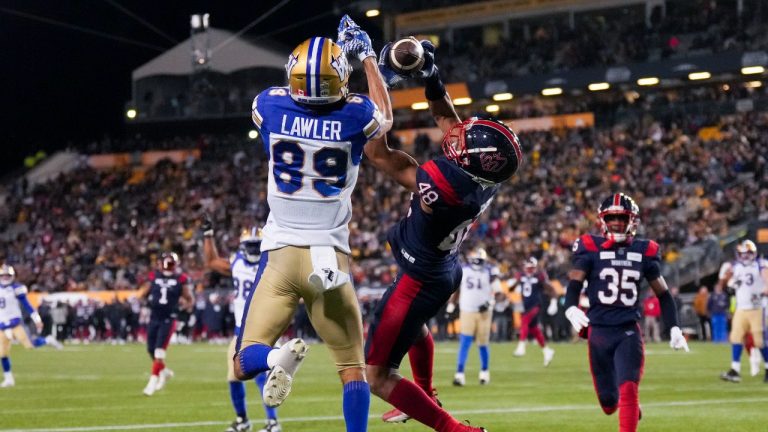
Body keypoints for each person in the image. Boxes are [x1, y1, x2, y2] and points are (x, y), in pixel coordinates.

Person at [233, 15, 412, 432]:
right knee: (352, 370)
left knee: (245, 360)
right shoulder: (355, 115)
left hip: (279, 254)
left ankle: (277, 358)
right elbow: (382, 117)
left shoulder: (269, 105)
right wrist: (366, 55)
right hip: (328, 258)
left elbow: (298, 104)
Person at [362, 22, 522, 431]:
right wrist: (431, 76)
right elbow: (445, 117)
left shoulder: (444, 184)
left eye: (464, 144)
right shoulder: (482, 179)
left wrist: (377, 78)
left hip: (421, 276)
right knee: (413, 330)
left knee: (376, 375)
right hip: (443, 269)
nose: (457, 138)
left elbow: (377, 153)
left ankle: (455, 429)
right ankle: (425, 393)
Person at [563, 193, 689, 432]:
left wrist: (674, 327)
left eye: (622, 218)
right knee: (609, 403)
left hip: (627, 330)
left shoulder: (644, 250)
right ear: (603, 220)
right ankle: (629, 407)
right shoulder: (590, 248)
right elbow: (575, 283)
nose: (618, 223)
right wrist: (570, 306)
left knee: (629, 387)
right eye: (613, 218)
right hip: (598, 333)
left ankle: (630, 411)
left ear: (633, 221)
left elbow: (663, 294)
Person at [203, 223, 282, 432]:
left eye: (257, 245)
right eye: (251, 245)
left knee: (263, 377)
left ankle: (273, 422)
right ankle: (243, 420)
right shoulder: (237, 262)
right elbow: (211, 261)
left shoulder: (273, 262)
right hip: (241, 330)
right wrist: (208, 235)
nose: (254, 250)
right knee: (233, 376)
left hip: (265, 328)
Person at [136, 252, 194, 396]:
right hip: (154, 316)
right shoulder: (154, 276)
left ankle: (153, 382)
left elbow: (189, 299)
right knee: (151, 349)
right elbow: (142, 294)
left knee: (159, 351)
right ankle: (165, 372)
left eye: (170, 263)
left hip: (169, 318)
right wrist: (144, 302)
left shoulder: (181, 279)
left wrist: (181, 312)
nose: (168, 266)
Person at [0, 264, 62, 387]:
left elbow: (27, 305)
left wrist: (37, 319)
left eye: (8, 275)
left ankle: (47, 340)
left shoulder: (16, 289)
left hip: (15, 323)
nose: (6, 277)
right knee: (2, 354)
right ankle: (9, 378)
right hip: (2, 325)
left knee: (30, 345)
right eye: (4, 275)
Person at [448, 248, 500, 387]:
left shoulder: (490, 271)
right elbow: (457, 289)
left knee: (482, 344)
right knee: (465, 342)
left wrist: (490, 302)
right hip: (467, 311)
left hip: (484, 313)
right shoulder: (464, 270)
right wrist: (451, 305)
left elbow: (499, 292)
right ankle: (459, 374)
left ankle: (484, 372)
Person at [718, 240, 768, 383]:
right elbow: (728, 282)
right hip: (741, 308)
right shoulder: (736, 266)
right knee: (736, 337)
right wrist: (729, 281)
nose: (745, 257)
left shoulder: (761, 265)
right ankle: (735, 370)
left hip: (756, 308)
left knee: (759, 340)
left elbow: (766, 281)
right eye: (742, 254)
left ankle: (767, 367)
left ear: (753, 253)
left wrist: (764, 289)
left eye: (747, 254)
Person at [509, 257, 556, 366]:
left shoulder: (540, 276)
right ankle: (547, 350)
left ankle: (521, 346)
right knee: (534, 329)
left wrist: (553, 301)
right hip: (526, 305)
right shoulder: (521, 275)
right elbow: (512, 288)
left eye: (532, 268)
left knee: (524, 321)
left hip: (536, 304)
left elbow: (551, 289)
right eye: (528, 268)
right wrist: (514, 284)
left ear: (535, 268)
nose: (530, 270)